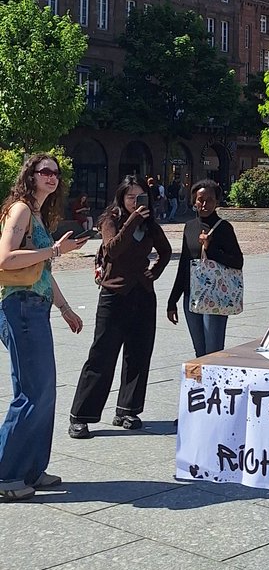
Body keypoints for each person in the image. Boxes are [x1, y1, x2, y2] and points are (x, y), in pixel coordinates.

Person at [0, 153, 87, 502]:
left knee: (44, 391)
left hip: (33, 307)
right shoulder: (20, 209)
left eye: (56, 172)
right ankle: (6, 474)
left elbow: (41, 272)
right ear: (31, 175)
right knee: (31, 393)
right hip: (18, 307)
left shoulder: (36, 214)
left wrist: (64, 308)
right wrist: (53, 249)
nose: (52, 177)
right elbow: (5, 258)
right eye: (45, 172)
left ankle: (31, 468)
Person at [68, 176, 172, 438]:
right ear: (121, 198)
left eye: (140, 197)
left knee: (138, 354)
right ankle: (81, 416)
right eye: (130, 197)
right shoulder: (110, 220)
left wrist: (155, 272)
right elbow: (113, 249)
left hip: (143, 295)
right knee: (101, 355)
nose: (135, 202)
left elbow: (166, 250)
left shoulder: (149, 224)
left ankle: (128, 409)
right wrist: (133, 218)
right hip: (114, 295)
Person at [166, 179, 244, 356]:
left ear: (217, 202)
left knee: (213, 352)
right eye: (200, 199)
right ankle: (201, 385)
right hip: (192, 295)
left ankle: (215, 384)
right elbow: (184, 264)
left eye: (210, 199)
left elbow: (237, 262)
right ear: (194, 201)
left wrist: (211, 249)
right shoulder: (190, 227)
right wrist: (173, 300)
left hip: (215, 295)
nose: (204, 204)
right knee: (200, 352)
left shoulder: (224, 228)